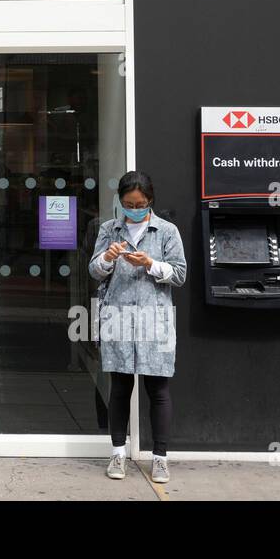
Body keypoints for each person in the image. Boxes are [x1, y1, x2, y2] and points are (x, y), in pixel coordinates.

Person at [88, 170, 186, 483]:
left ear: (150, 201)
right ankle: (118, 455)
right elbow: (94, 270)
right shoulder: (108, 229)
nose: (135, 208)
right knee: (119, 389)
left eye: (140, 203)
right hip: (118, 318)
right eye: (129, 203)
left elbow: (180, 274)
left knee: (157, 389)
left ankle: (160, 458)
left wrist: (149, 264)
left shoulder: (166, 231)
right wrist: (107, 257)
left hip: (153, 320)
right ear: (120, 201)